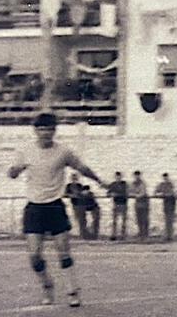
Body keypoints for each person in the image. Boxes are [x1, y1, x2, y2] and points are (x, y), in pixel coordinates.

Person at [7, 113, 104, 306]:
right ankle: (47, 285)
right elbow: (12, 173)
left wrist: (99, 180)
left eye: (50, 129)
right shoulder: (25, 151)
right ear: (35, 131)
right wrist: (14, 170)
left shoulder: (63, 152)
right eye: (42, 129)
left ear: (54, 131)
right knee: (34, 256)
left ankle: (72, 291)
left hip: (55, 205)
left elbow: (82, 167)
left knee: (63, 251)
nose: (46, 133)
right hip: (34, 207)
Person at [154, 172, 177, 242]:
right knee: (167, 220)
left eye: (166, 178)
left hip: (171, 203)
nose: (165, 179)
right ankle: (168, 235)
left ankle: (170, 235)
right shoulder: (162, 184)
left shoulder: (170, 184)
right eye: (164, 178)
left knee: (170, 219)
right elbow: (156, 192)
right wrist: (161, 194)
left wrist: (166, 194)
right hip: (166, 203)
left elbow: (172, 193)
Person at [106, 172, 128, 241]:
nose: (118, 178)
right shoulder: (113, 184)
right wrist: (111, 194)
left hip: (123, 203)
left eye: (119, 177)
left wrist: (116, 193)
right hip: (116, 203)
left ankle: (123, 235)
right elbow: (108, 193)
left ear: (121, 177)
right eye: (117, 177)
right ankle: (114, 235)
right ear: (115, 177)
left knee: (123, 220)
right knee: (115, 220)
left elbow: (126, 192)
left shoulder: (124, 184)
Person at [130, 171, 150, 242]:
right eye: (135, 176)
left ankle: (145, 235)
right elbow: (130, 191)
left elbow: (142, 193)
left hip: (144, 203)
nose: (136, 177)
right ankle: (141, 234)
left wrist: (136, 194)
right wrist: (136, 194)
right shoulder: (133, 183)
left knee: (144, 219)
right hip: (138, 203)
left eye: (138, 176)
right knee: (138, 219)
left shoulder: (142, 183)